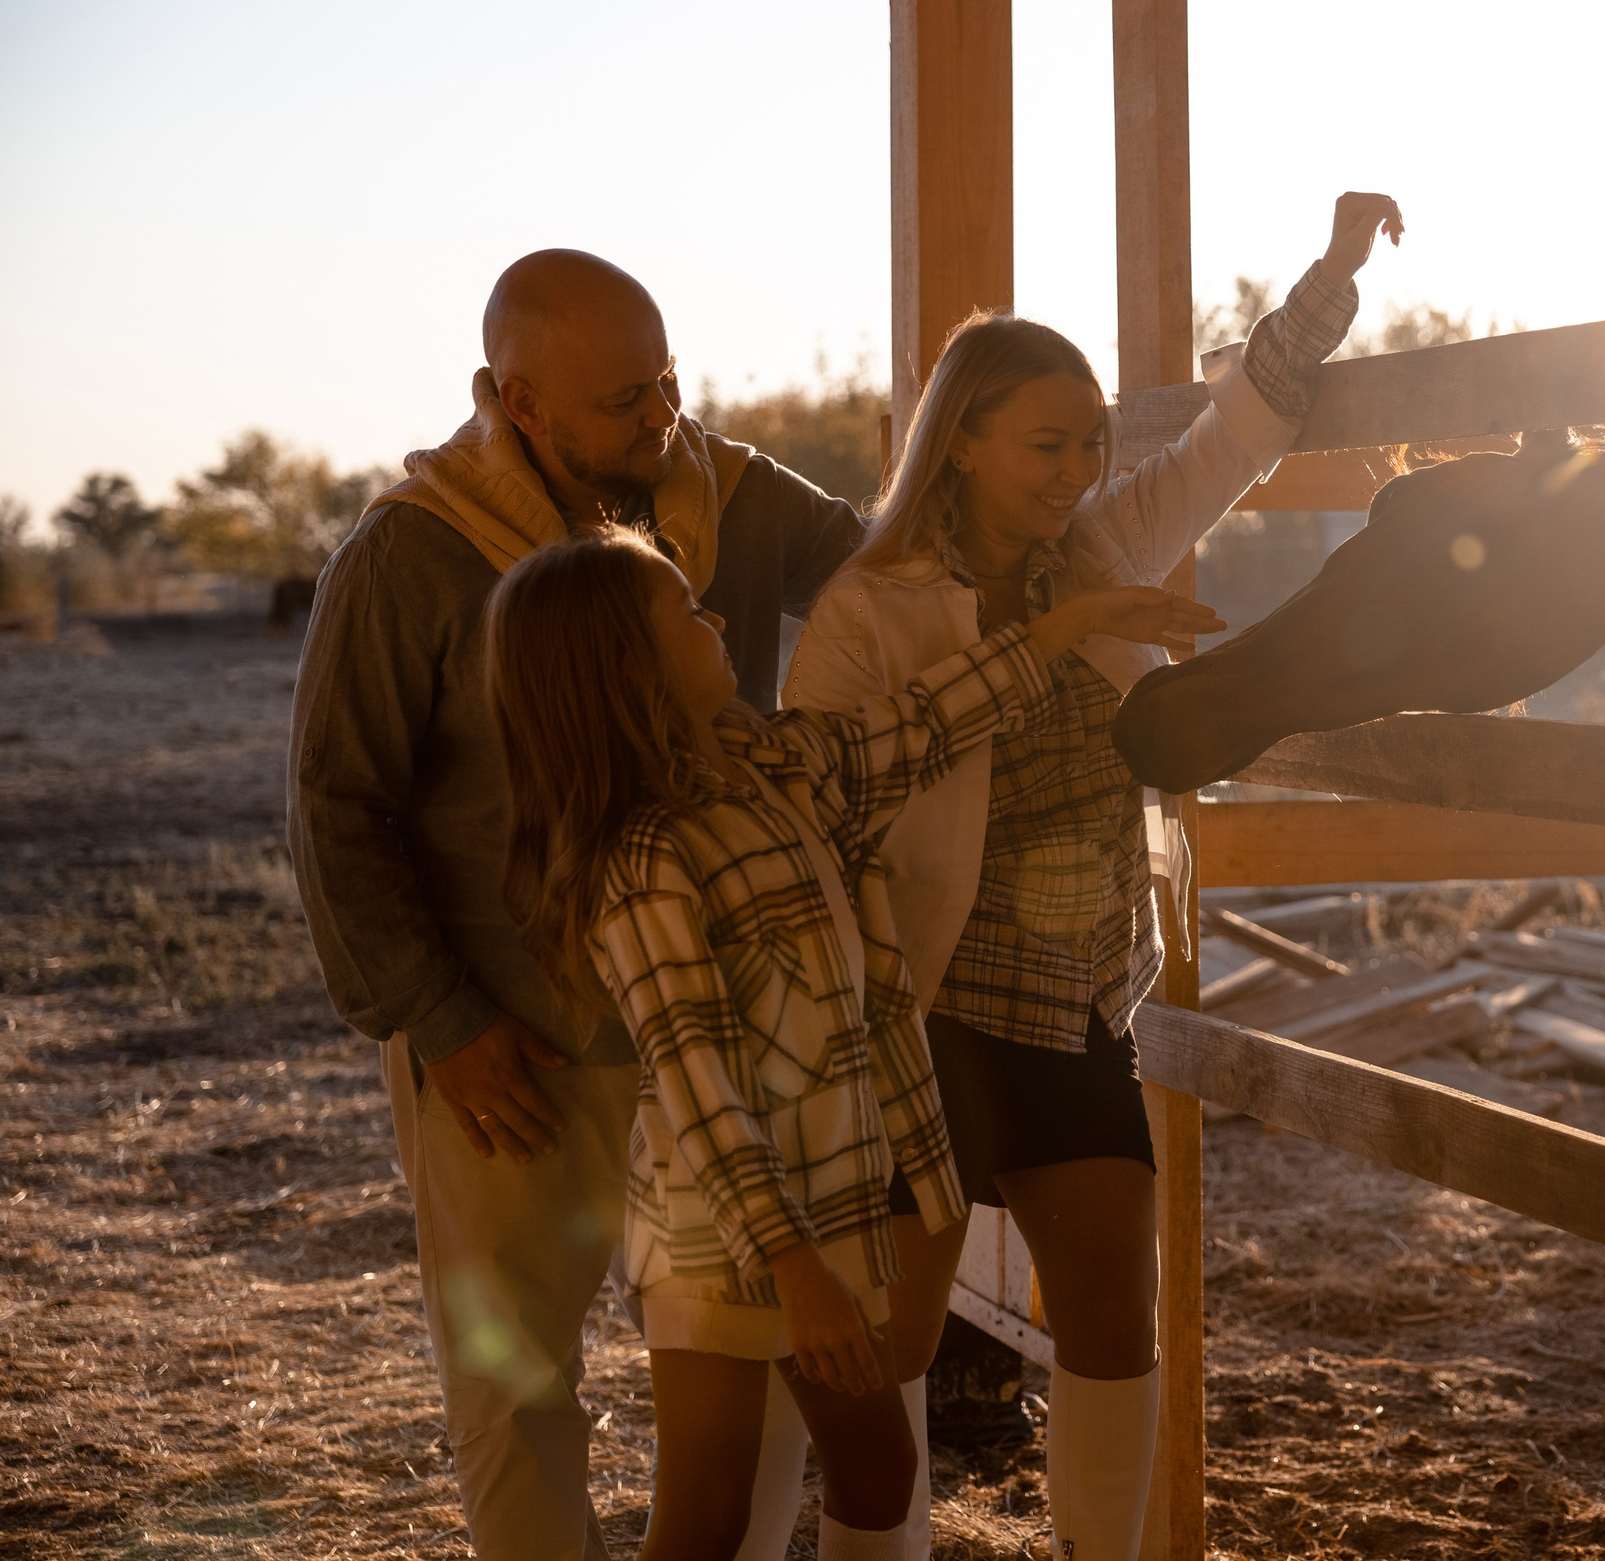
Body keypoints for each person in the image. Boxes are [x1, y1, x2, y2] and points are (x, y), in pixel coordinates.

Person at [785, 190, 1404, 1560]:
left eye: (1091, 443)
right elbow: (826, 790)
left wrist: (1331, 275)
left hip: (1076, 1001)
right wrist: (1052, 634)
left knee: (1117, 1325)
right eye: (1045, 444)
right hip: (924, 1014)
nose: (1076, 469)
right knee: (892, 1338)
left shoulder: (1106, 543)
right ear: (959, 447)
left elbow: (1235, 435)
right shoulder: (869, 607)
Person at [483, 526, 1216, 1559]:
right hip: (721, 1233)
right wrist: (792, 1266)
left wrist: (1066, 626)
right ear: (629, 666)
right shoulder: (646, 859)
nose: (721, 617)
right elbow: (699, 1085)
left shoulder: (771, 762)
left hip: (830, 1201)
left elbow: (918, 725)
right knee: (708, 1508)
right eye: (687, 613)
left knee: (878, 1470)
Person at [287, 250, 858, 1559]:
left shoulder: (736, 497)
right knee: (519, 1393)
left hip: (720, 1035)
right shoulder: (408, 558)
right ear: (517, 400)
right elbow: (336, 806)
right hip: (513, 1048)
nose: (661, 422)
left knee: (753, 1369)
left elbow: (893, 577)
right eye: (622, 402)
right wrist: (443, 1022)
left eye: (668, 383)